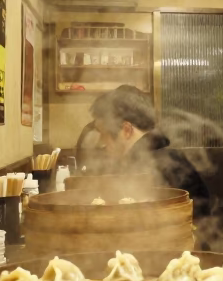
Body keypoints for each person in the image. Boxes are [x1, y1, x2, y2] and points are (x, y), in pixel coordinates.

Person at [90, 87, 211, 217]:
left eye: (103, 133)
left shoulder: (160, 165)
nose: (100, 142)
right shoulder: (153, 157)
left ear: (127, 130)